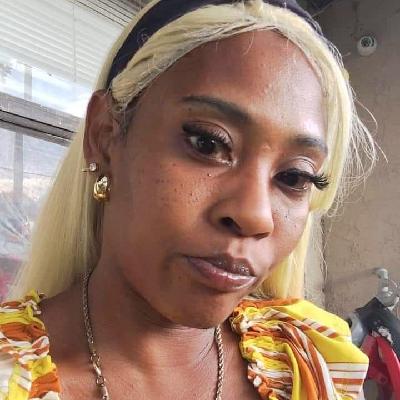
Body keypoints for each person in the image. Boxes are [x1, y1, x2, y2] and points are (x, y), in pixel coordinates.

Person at [0, 0, 376, 399]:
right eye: (207, 143)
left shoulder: (309, 364)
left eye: (294, 177)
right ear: (105, 136)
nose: (255, 216)